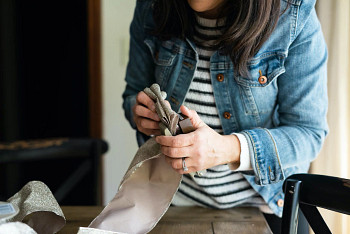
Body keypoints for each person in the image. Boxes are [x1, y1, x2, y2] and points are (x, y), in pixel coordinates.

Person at [122, 0, 328, 233]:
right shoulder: (152, 6)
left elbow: (309, 133)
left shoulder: (292, 15)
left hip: (265, 210)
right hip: (171, 204)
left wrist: (227, 149)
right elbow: (133, 93)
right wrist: (138, 113)